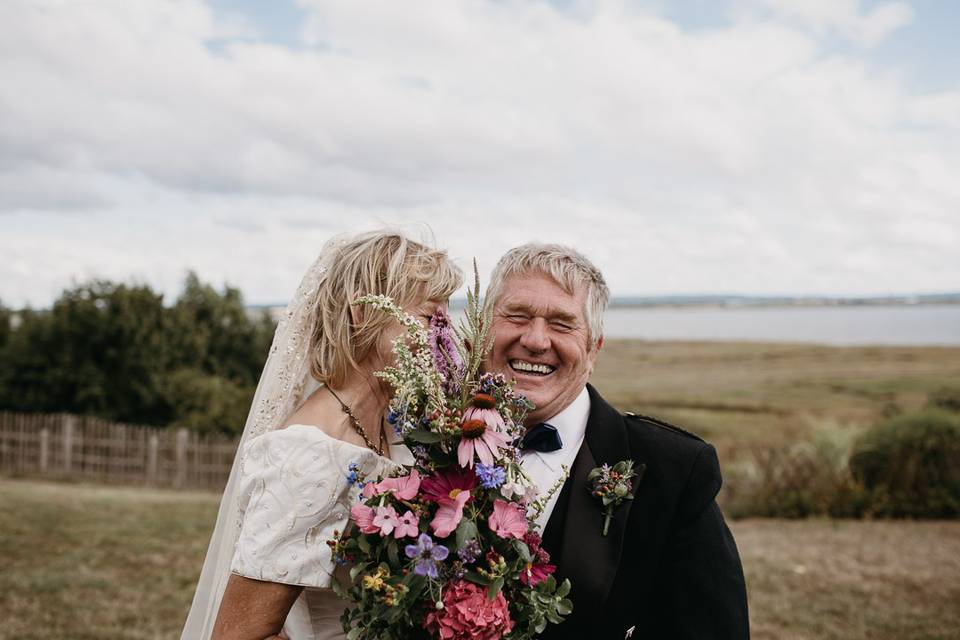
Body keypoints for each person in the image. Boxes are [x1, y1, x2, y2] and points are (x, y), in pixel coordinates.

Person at [181, 230, 462, 640]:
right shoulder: (307, 453)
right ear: (363, 313)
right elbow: (240, 635)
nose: (444, 334)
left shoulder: (394, 434)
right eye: (427, 316)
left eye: (445, 316)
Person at [486, 244, 749, 639]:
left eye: (562, 324)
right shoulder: (429, 444)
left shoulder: (674, 471)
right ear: (481, 328)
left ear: (594, 349)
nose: (536, 341)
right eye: (517, 316)